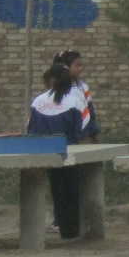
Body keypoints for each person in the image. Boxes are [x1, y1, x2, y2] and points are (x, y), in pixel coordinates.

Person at [28, 62, 86, 241]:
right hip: (70, 151)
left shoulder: (38, 101)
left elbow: (32, 129)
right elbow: (80, 128)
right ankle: (72, 230)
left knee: (57, 190)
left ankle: (62, 227)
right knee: (72, 190)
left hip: (48, 153)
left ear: (51, 80)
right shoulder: (74, 100)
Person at [55, 49, 99, 141]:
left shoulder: (83, 87)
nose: (81, 68)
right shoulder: (56, 89)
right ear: (65, 68)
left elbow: (90, 111)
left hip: (81, 135)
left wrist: (93, 134)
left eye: (81, 65)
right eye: (77, 65)